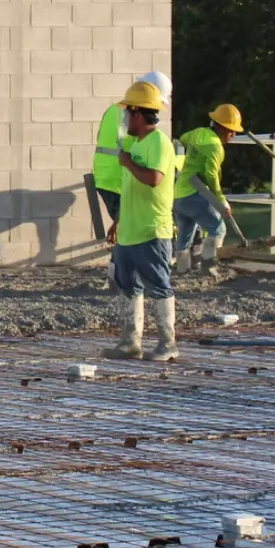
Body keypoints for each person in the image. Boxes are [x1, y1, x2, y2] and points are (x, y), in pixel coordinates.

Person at [104, 82, 177, 362]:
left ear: (138, 114)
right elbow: (131, 190)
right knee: (127, 285)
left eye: (127, 113)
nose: (124, 120)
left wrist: (128, 163)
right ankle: (130, 342)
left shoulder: (159, 143)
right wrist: (119, 221)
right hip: (129, 233)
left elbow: (153, 179)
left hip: (151, 231)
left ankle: (167, 343)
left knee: (158, 284)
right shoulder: (137, 146)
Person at [93, 71, 172, 285]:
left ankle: (121, 278)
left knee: (125, 229)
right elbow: (135, 153)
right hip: (117, 180)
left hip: (106, 176)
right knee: (126, 229)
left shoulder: (115, 109)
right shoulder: (132, 118)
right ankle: (118, 278)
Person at [173, 104, 243, 276]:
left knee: (185, 234)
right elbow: (211, 175)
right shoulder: (215, 147)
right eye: (230, 131)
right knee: (218, 229)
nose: (233, 135)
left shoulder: (198, 133)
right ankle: (209, 267)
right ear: (221, 127)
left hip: (179, 194)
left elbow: (183, 138)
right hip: (193, 194)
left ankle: (182, 269)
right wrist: (220, 200)